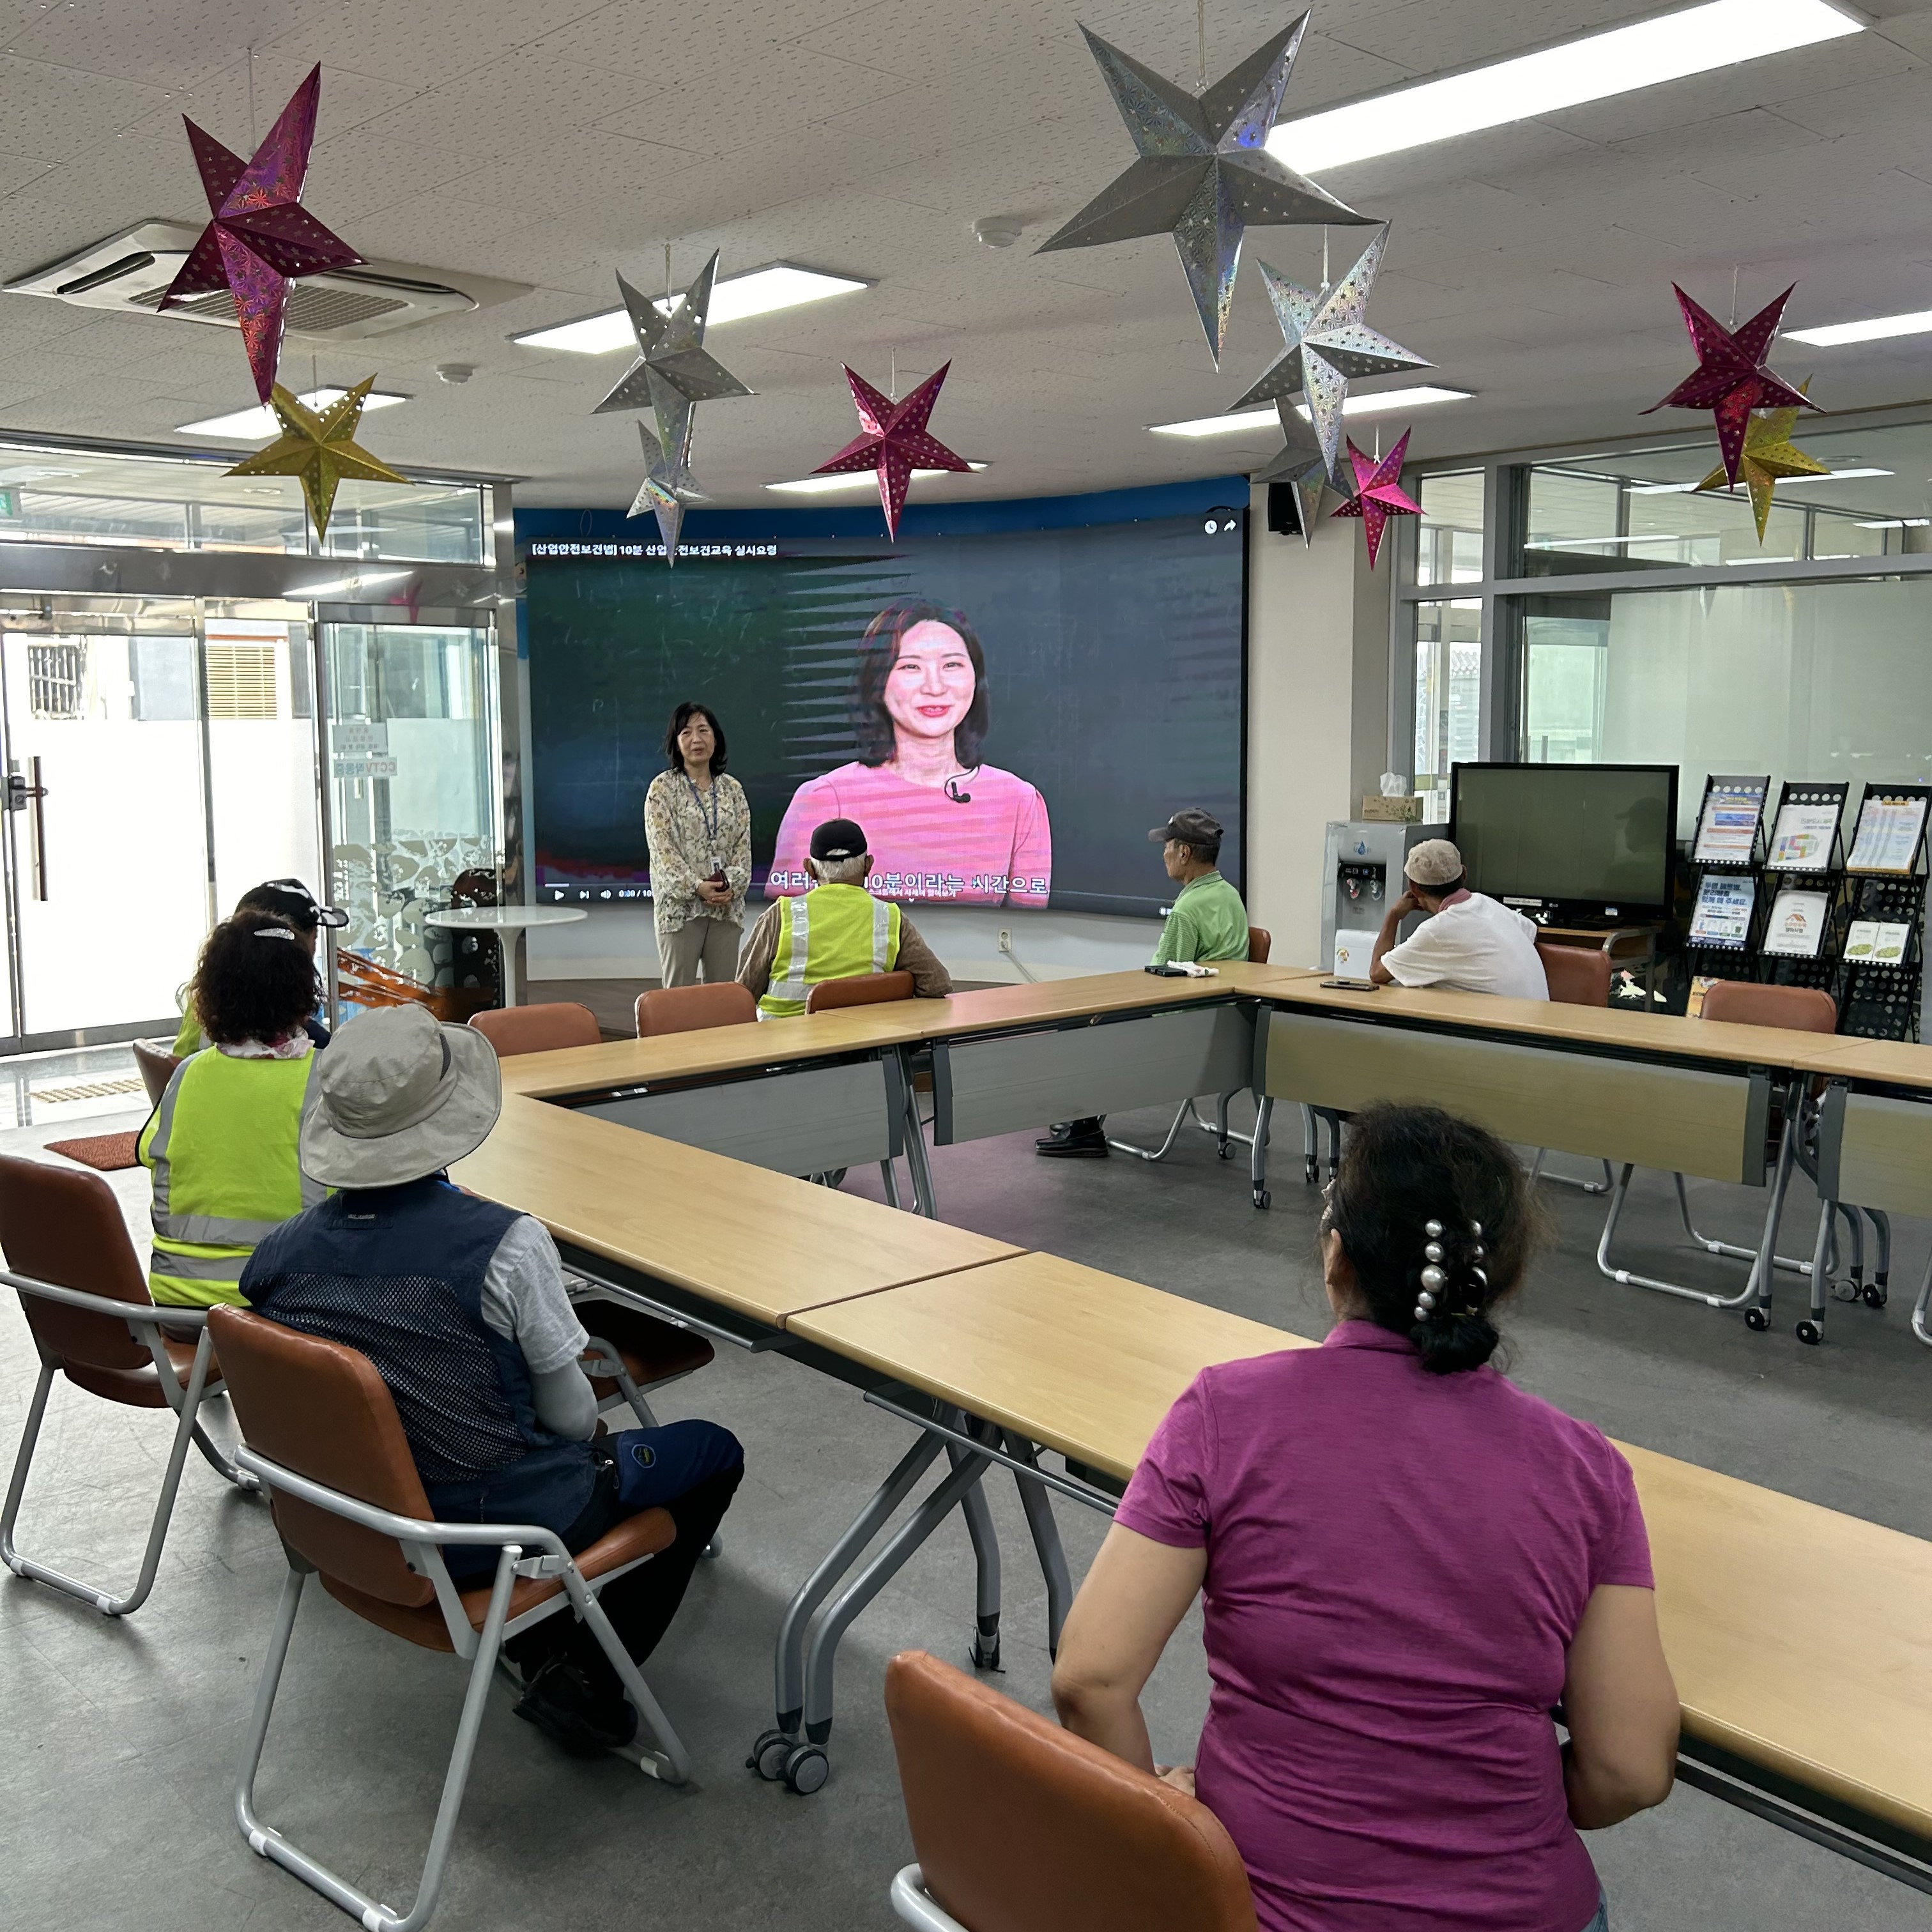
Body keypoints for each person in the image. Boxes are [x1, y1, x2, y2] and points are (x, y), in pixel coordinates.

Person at [1050, 1103, 1678, 1932]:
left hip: (1267, 1908)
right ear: (1505, 1282)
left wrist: (1159, 1824)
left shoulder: (1227, 1415)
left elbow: (1090, 1681)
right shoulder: (1587, 1470)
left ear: (1335, 1254)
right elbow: (1631, 1769)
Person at [239, 1002, 744, 1758]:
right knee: (709, 1451)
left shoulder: (278, 1257)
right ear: (446, 1117)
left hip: (355, 1526)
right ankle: (585, 1674)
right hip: (494, 1530)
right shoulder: (505, 1245)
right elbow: (573, 1423)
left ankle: (547, 1640)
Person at [768, 599, 1051, 909]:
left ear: (975, 678)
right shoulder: (824, 798)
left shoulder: (1019, 801)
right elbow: (791, 924)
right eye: (911, 666)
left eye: (952, 665)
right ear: (878, 681)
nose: (935, 686)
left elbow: (1027, 931)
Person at [140, 912, 329, 1308]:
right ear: (302, 990)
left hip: (179, 1301)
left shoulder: (187, 1074)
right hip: (285, 1306)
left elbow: (147, 1153)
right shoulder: (325, 1079)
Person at [1037, 808, 1248, 1159]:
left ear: (1184, 852)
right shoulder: (1230, 895)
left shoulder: (1187, 909)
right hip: (1225, 1025)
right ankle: (1077, 1118)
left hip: (1186, 1030)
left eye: (1167, 845)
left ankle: (1083, 1127)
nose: (1163, 853)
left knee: (1082, 1020)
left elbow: (1160, 980)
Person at [738, 817, 953, 1018]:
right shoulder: (891, 918)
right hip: (863, 1047)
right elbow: (936, 983)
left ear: (809, 869)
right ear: (869, 865)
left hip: (784, 1048)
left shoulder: (780, 915)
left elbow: (744, 994)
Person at [644, 701, 753, 988]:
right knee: (678, 999)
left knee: (722, 998)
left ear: (715, 738)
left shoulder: (733, 790)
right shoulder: (662, 789)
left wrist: (730, 885)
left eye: (703, 730)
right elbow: (662, 852)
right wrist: (696, 886)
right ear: (676, 742)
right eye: (687, 732)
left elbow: (743, 850)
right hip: (680, 912)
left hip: (725, 910)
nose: (696, 739)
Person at [172, 877, 346, 1055]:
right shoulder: (310, 1044)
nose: (313, 949)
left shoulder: (208, 991)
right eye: (313, 937)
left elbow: (177, 1064)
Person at [1370, 838, 1549, 999]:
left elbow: (1377, 974)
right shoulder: (1487, 903)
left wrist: (1393, 916)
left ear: (1414, 888)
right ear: (1463, 874)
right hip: (1540, 1021)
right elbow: (1531, 933)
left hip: (1504, 1029)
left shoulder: (1436, 931)